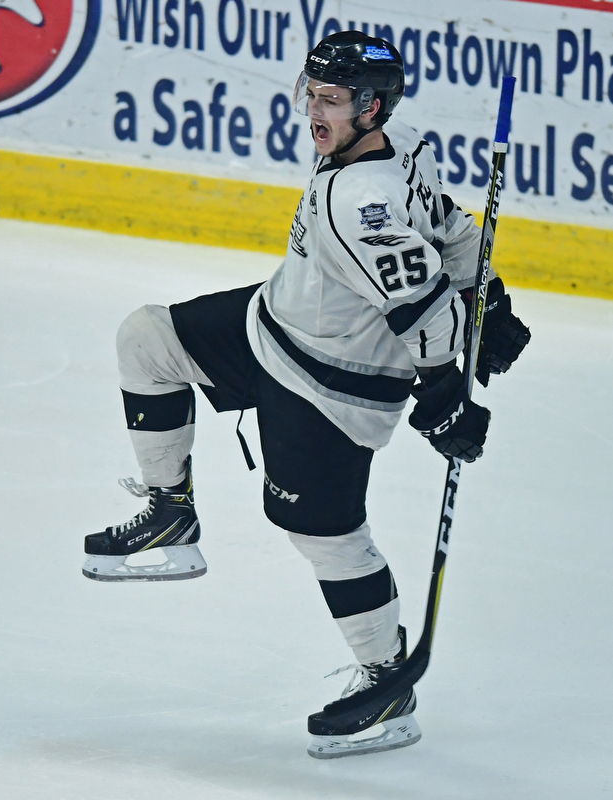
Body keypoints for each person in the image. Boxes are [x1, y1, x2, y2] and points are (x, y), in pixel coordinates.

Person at [82, 31, 530, 758]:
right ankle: (170, 513)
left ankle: (387, 678)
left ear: (372, 105)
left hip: (332, 387)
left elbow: (416, 304)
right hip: (272, 324)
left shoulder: (362, 202)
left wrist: (446, 384)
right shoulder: (396, 144)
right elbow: (447, 222)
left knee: (324, 535)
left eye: (331, 99)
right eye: (311, 94)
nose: (314, 112)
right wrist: (487, 290)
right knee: (147, 338)